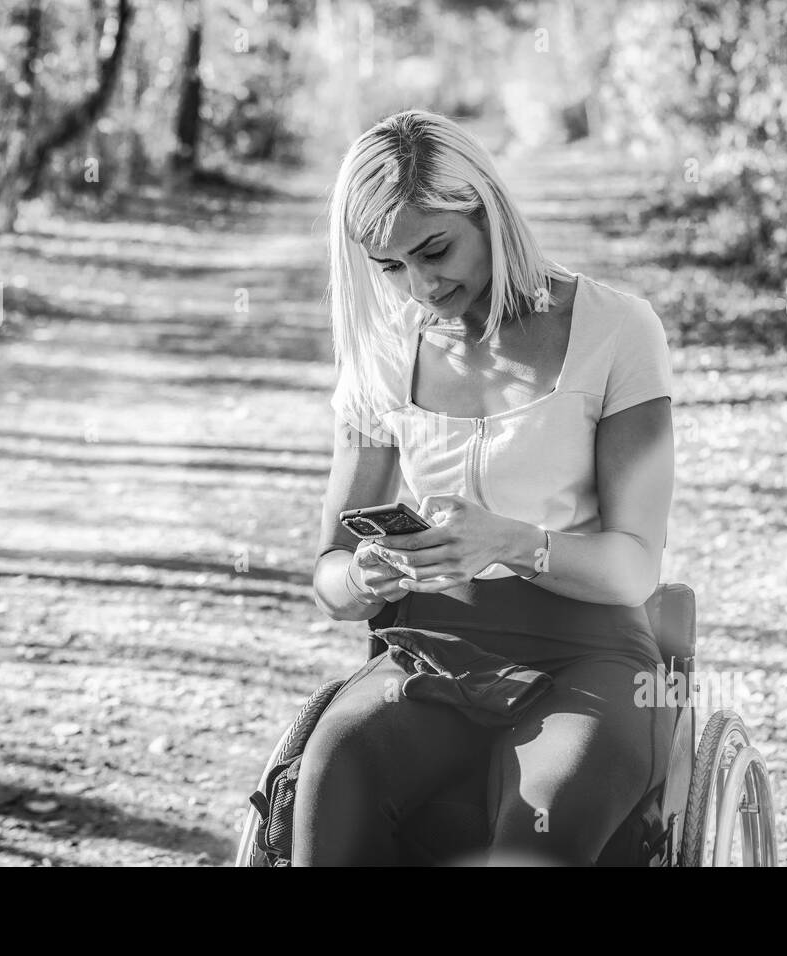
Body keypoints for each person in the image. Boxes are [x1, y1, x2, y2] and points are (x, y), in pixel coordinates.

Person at [295, 108, 676, 866]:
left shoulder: (617, 331)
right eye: (391, 266)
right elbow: (329, 579)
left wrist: (513, 542)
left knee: (542, 822)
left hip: (590, 657)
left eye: (435, 248)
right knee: (335, 765)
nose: (421, 285)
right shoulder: (381, 355)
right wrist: (366, 574)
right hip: (425, 656)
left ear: (489, 211)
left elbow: (636, 565)